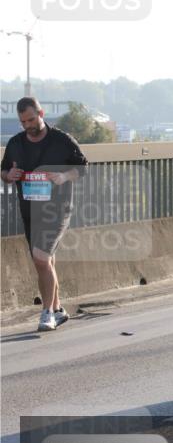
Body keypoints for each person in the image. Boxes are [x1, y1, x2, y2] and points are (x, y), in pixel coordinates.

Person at [0, 96, 88, 332]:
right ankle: (58, 310)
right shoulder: (15, 143)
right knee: (44, 261)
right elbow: (4, 170)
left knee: (40, 258)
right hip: (30, 211)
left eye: (31, 119)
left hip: (57, 210)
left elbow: (82, 168)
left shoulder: (62, 140)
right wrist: (9, 175)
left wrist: (64, 176)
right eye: (23, 122)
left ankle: (47, 312)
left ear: (41, 114)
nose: (27, 125)